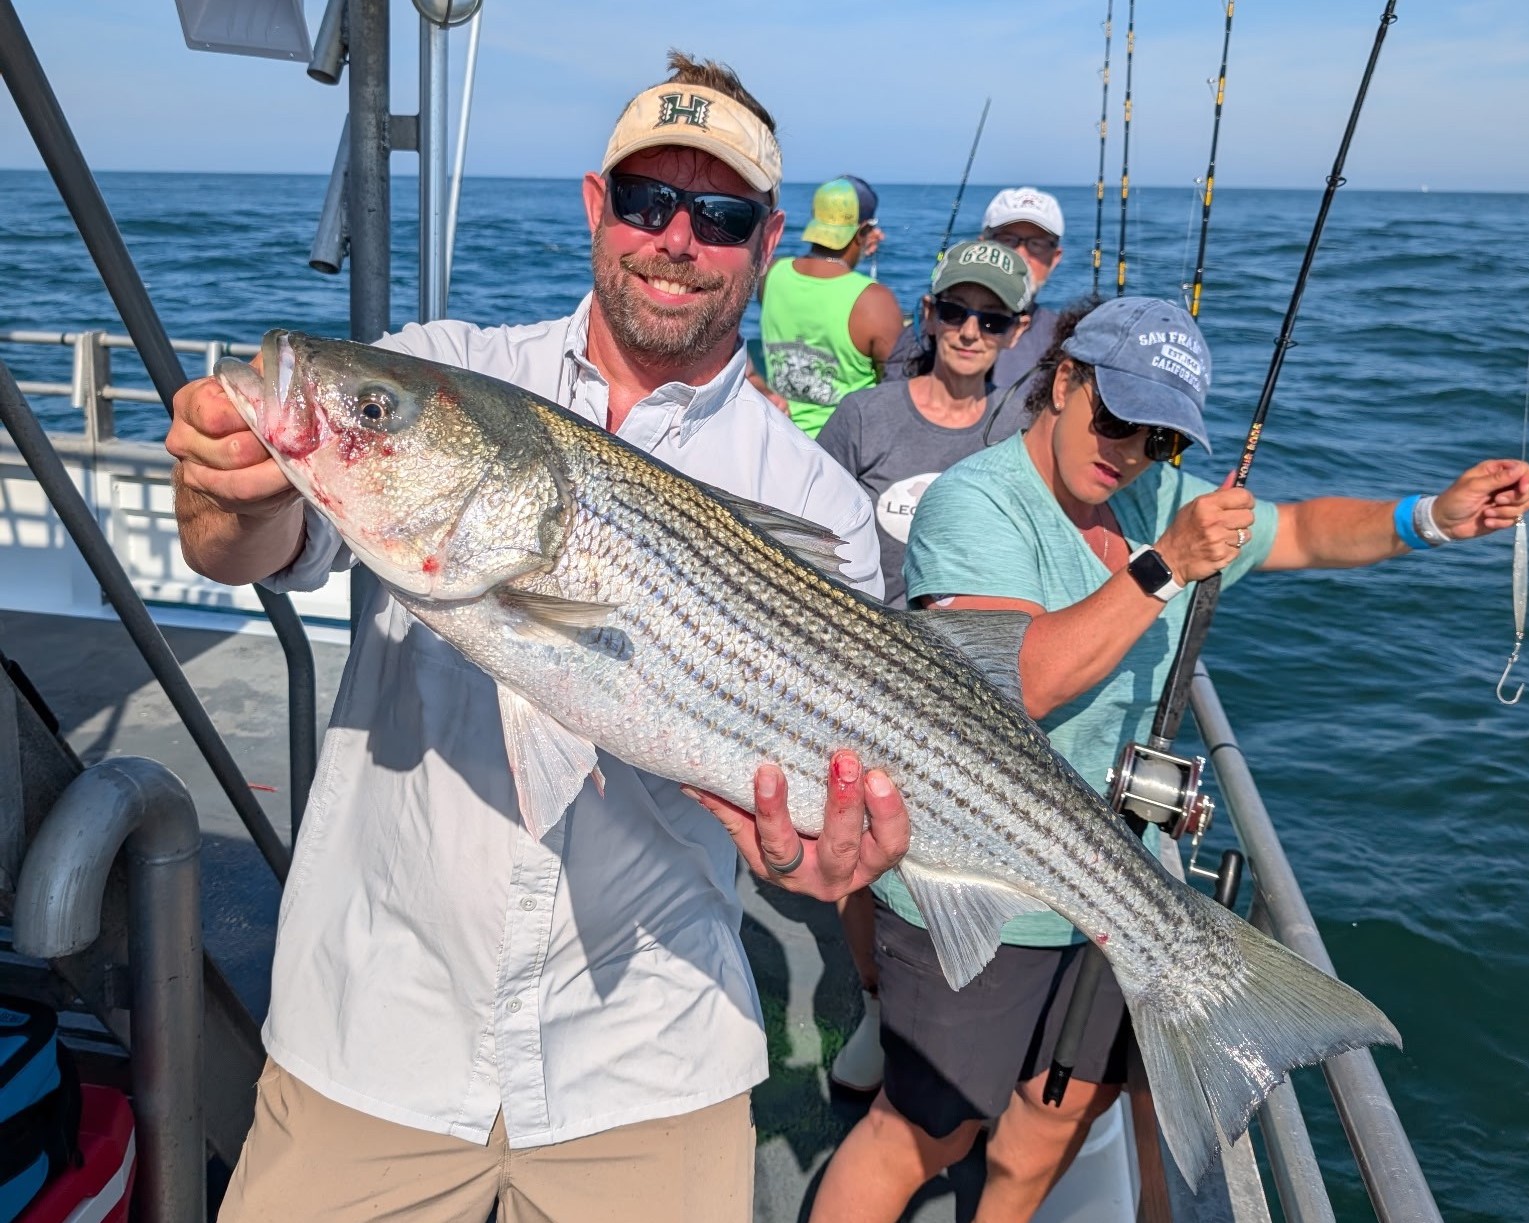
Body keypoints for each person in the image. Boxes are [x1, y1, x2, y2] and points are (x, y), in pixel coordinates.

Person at [167, 53, 913, 1223]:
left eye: (719, 215)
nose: (676, 238)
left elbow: (822, 829)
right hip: (376, 1029)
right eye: (647, 200)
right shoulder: (451, 370)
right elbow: (240, 546)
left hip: (648, 1060)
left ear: (768, 241)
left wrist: (816, 865)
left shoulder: (817, 501)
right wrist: (228, 487)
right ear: (595, 204)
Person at [811, 295, 1529, 1223]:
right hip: (980, 880)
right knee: (926, 1131)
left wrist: (1429, 517)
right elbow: (1020, 679)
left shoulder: (1159, 499)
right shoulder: (975, 501)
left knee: (1054, 1118)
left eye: (1160, 439)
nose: (1129, 452)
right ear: (1063, 381)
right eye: (1116, 418)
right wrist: (1162, 566)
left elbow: (1301, 529)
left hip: (1119, 886)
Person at [815, 238, 1033, 1092]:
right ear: (928, 314)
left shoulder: (1020, 426)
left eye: (993, 320)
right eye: (956, 311)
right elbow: (811, 530)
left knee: (953, 857)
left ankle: (959, 1021)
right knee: (857, 845)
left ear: (1017, 333)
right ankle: (877, 1001)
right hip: (859, 665)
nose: (971, 332)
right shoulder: (864, 417)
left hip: (973, 677)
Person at [755, 175, 904, 436]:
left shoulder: (771, 273)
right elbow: (895, 388)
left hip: (780, 436)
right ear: (862, 231)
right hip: (844, 447)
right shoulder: (875, 301)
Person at [884, 186, 1066, 391]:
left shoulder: (1065, 337)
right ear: (983, 245)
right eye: (1007, 240)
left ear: (1055, 257)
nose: (1021, 255)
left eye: (1037, 244)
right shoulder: (934, 325)